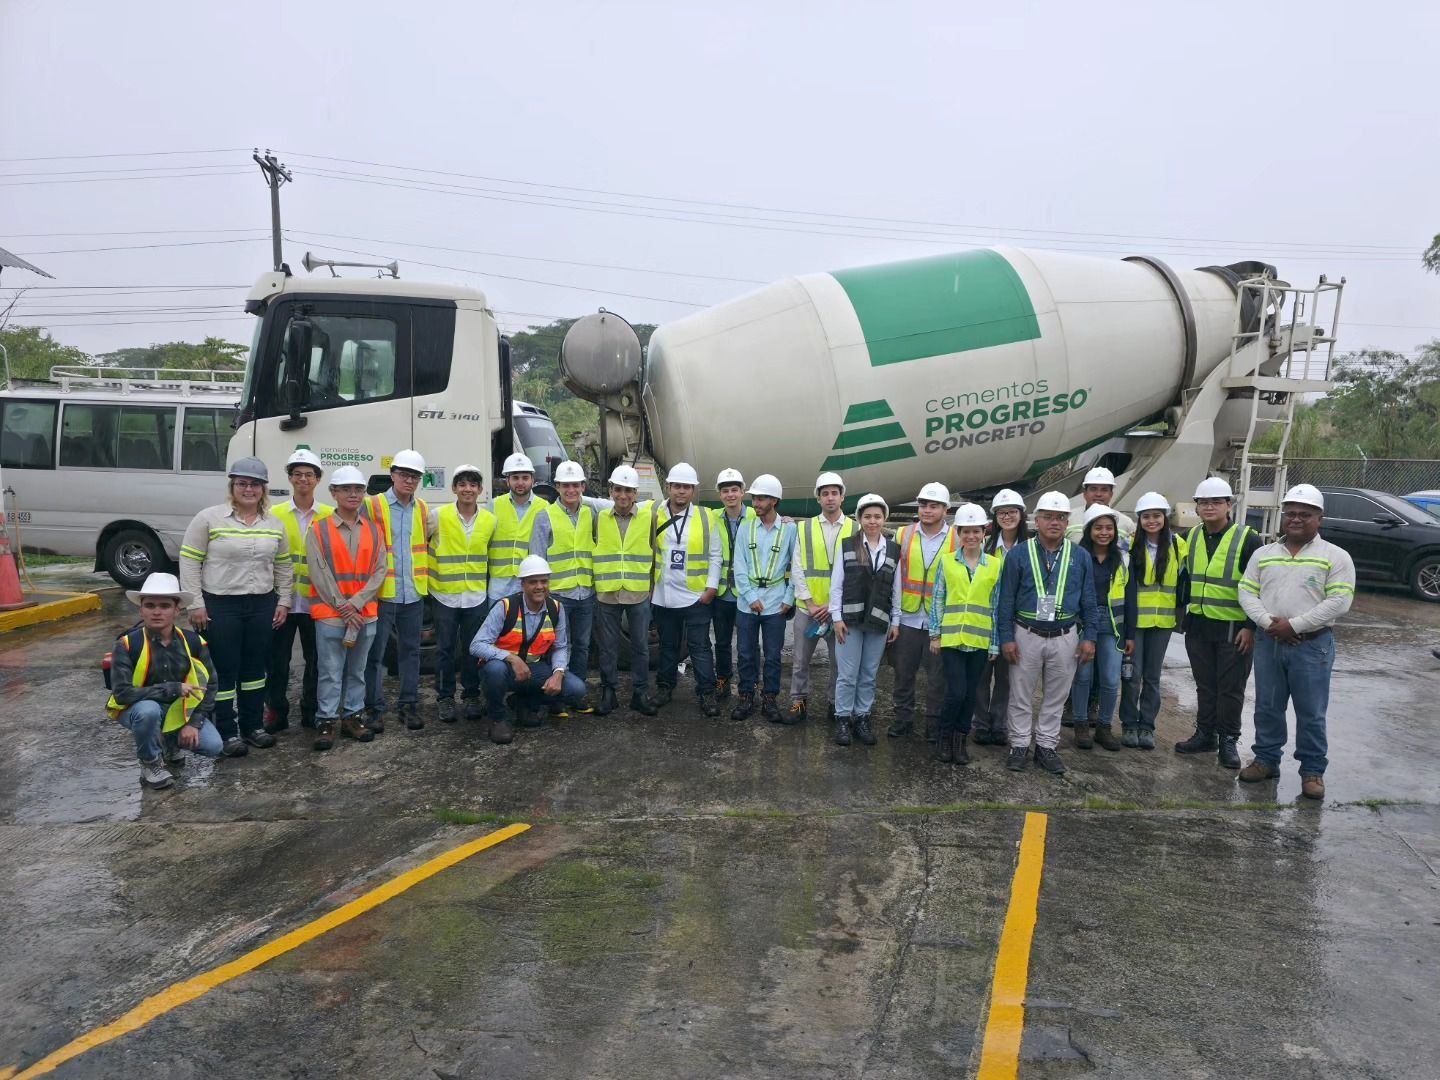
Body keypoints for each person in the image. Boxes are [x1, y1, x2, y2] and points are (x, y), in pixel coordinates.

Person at [1237, 485, 1356, 800]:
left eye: (1305, 514)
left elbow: (1340, 601)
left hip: (1312, 646)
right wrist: (1269, 623)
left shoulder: (1335, 557)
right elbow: (1246, 591)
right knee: (1267, 706)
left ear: (1319, 519)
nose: (1296, 519)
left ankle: (1312, 771)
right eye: (1290, 513)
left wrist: (1295, 625)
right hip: (1270, 642)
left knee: (1311, 711)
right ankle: (1265, 760)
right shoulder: (1264, 555)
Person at [179, 457, 293, 757]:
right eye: (242, 483)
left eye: (255, 484)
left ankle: (253, 726)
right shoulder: (209, 519)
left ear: (263, 488)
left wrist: (283, 601)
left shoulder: (274, 524)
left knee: (255, 669)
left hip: (261, 604)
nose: (248, 489)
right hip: (221, 605)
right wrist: (195, 604)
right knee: (225, 669)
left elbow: (283, 566)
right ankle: (227, 732)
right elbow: (189, 561)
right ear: (232, 486)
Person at [996, 490, 1102, 775]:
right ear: (1037, 520)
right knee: (1021, 694)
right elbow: (1006, 600)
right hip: (1026, 633)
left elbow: (1089, 600)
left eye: (1060, 517)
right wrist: (1006, 637)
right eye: (1048, 517)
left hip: (1065, 635)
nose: (1054, 522)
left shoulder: (1079, 556)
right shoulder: (1019, 554)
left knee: (1056, 696)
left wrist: (1090, 637)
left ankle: (1046, 746)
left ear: (1067, 522)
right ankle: (1019, 744)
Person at [1177, 476, 1262, 770]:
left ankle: (1228, 739)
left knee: (1231, 688)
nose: (1209, 507)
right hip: (1199, 625)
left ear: (1229, 505)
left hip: (1234, 628)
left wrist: (1251, 627)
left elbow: (1259, 586)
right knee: (1205, 685)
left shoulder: (1248, 539)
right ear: (1196, 507)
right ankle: (1205, 734)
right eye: (1203, 502)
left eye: (1216, 502)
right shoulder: (1190, 537)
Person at [107, 573, 222, 788]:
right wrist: (172, 688)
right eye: (150, 605)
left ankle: (169, 742)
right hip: (137, 709)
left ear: (177, 610)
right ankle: (150, 763)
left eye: (165, 606)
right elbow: (122, 694)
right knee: (148, 711)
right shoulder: (126, 644)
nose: (157, 611)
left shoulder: (194, 642)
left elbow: (211, 685)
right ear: (141, 610)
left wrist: (194, 723)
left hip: (178, 711)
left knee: (213, 746)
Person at [307, 465, 388, 749]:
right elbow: (319, 572)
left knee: (357, 670)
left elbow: (380, 570)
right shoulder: (319, 530)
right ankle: (326, 720)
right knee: (330, 671)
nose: (353, 494)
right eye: (346, 489)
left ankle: (353, 716)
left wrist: (355, 604)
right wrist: (344, 607)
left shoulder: (375, 531)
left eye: (358, 489)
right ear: (333, 493)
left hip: (364, 614)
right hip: (331, 615)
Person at [469, 555, 589, 744]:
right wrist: (512, 659)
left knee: (576, 689)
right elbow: (476, 645)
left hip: (533, 670)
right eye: (533, 582)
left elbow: (561, 647)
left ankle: (523, 703)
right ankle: (497, 718)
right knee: (494, 670)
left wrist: (558, 673)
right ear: (522, 584)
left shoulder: (556, 608)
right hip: (504, 669)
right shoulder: (505, 607)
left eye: (544, 581)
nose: (540, 586)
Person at [363, 449, 432, 732]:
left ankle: (408, 705)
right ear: (392, 475)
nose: (409, 480)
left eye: (415, 476)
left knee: (411, 652)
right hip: (382, 593)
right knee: (374, 654)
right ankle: (374, 709)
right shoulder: (373, 506)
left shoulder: (422, 509)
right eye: (404, 474)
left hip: (412, 593)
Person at [264, 449, 332, 735]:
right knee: (277, 661)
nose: (303, 479)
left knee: (316, 661)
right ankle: (276, 711)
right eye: (298, 474)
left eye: (309, 474)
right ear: (290, 478)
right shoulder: (274, 514)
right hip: (283, 600)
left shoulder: (329, 515)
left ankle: (311, 710)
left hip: (317, 601)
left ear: (317, 479)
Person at [929, 504, 1002, 765]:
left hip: (979, 640)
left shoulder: (995, 565)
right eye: (966, 531)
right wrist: (935, 634)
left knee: (971, 693)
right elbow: (938, 598)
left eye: (976, 531)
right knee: (956, 692)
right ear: (958, 533)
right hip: (951, 638)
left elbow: (995, 606)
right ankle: (944, 735)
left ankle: (960, 740)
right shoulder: (947, 561)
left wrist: (994, 643)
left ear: (984, 533)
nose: (971, 536)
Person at [651, 462, 722, 716]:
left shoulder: (706, 516)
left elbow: (715, 554)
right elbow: (614, 504)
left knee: (700, 647)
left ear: (693, 490)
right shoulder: (653, 511)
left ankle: (707, 693)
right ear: (668, 487)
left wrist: (711, 587)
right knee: (667, 645)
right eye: (677, 486)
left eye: (686, 487)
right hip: (664, 594)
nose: (681, 491)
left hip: (695, 596)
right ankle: (664, 687)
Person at [830, 493, 900, 747]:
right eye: (867, 516)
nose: (872, 521)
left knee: (869, 674)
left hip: (878, 621)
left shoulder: (893, 549)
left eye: (877, 516)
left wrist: (896, 620)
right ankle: (842, 718)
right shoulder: (848, 545)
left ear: (884, 519)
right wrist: (836, 617)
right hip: (850, 621)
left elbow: (896, 588)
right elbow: (837, 584)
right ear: (859, 519)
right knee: (847, 674)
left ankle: (862, 717)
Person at [428, 464, 495, 723]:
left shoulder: (489, 521)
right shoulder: (437, 516)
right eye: (462, 484)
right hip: (444, 594)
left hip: (475, 596)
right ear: (454, 488)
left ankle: (471, 696)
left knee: (472, 649)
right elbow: (421, 545)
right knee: (444, 649)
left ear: (480, 489)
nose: (468, 489)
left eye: (473, 485)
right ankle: (445, 698)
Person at [1119, 491, 1186, 749]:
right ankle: (1129, 724)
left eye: (1157, 516)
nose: (1152, 521)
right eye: (1146, 516)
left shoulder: (1178, 546)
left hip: (1163, 623)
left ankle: (1147, 726)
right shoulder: (1129, 544)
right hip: (1136, 623)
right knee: (1132, 675)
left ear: (1165, 518)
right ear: (1139, 519)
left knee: (1153, 677)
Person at [530, 460, 599, 712]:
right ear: (557, 487)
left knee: (582, 646)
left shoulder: (591, 514)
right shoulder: (545, 516)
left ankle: (575, 694)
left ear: (583, 486)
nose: (571, 490)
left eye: (575, 485)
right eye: (565, 485)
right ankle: (555, 699)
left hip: (585, 593)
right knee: (557, 647)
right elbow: (537, 558)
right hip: (558, 595)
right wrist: (541, 595)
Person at [889, 482, 954, 741]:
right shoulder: (903, 534)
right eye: (923, 505)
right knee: (903, 673)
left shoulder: (957, 538)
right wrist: (894, 617)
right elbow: (893, 576)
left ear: (945, 510)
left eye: (934, 506)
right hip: (908, 616)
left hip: (941, 621)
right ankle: (903, 719)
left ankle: (933, 723)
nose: (927, 510)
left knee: (938, 677)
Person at [787, 471, 853, 724]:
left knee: (839, 663)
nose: (830, 498)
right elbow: (797, 567)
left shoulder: (855, 528)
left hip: (839, 612)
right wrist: (811, 603)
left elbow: (857, 573)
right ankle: (798, 701)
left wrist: (833, 606)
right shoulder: (805, 528)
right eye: (825, 494)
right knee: (800, 660)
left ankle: (835, 704)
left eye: (834, 493)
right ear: (818, 498)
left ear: (842, 497)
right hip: (809, 609)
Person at [593, 464, 659, 717]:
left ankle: (640, 693)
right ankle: (608, 692)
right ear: (611, 491)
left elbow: (655, 552)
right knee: (608, 647)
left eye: (628, 490)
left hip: (637, 592)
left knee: (641, 646)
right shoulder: (600, 518)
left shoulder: (648, 518)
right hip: (607, 593)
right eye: (618, 489)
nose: (623, 495)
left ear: (635, 493)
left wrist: (652, 586)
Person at [732, 473, 797, 722]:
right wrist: (749, 596)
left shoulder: (789, 530)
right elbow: (739, 565)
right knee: (745, 653)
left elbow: (797, 565)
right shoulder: (745, 528)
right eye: (755, 498)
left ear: (774, 501)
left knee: (773, 656)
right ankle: (746, 696)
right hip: (747, 603)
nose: (755, 503)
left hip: (776, 604)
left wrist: (789, 598)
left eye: (761, 499)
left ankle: (770, 698)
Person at [1069, 504, 1134, 752]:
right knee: (1083, 676)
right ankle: (1081, 724)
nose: (1104, 533)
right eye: (1098, 528)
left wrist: (1130, 634)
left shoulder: (1123, 559)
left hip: (1113, 624)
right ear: (1089, 530)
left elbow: (1131, 598)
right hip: (1084, 622)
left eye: (1109, 528)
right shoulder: (1077, 557)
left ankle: (1104, 727)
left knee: (1110, 678)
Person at [973, 488, 1029, 745]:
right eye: (1002, 513)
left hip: (1016, 621)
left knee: (1007, 677)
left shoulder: (1030, 548)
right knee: (981, 675)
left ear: (1021, 515)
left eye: (1012, 512)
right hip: (986, 618)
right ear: (995, 517)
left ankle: (999, 724)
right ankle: (981, 723)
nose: (1007, 517)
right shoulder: (985, 547)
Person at [710, 468, 753, 702]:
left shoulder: (755, 516)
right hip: (721, 593)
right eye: (725, 491)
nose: (730, 495)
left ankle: (749, 684)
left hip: (746, 593)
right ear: (720, 495)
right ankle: (723, 680)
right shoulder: (712, 517)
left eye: (734, 490)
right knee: (722, 642)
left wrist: (786, 520)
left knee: (748, 645)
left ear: (742, 492)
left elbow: (776, 523)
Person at [487, 452, 550, 603]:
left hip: (529, 585)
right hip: (499, 586)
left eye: (525, 478)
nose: (520, 482)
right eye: (515, 478)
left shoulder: (544, 507)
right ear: (507, 481)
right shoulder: (494, 505)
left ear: (532, 480)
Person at [1065, 466, 1136, 545]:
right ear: (1085, 493)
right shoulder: (1068, 518)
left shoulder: (1126, 523)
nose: (1098, 494)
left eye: (1104, 490)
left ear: (1111, 494)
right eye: (1093, 489)